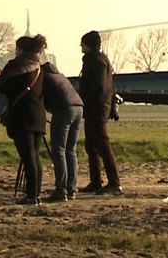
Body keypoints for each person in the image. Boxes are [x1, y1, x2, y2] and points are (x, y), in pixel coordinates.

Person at [0, 35, 49, 205]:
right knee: (34, 157)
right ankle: (35, 194)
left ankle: (31, 196)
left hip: (21, 116)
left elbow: (3, 85)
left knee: (27, 156)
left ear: (20, 49)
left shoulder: (15, 66)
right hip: (38, 115)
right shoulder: (38, 67)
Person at [78, 30, 122, 196]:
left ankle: (114, 182)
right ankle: (96, 181)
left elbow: (98, 87)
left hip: (97, 109)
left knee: (102, 145)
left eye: (82, 43)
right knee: (91, 146)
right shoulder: (94, 60)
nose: (80, 46)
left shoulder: (98, 62)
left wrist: (85, 101)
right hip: (93, 108)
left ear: (89, 45)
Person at [39, 62, 83, 202]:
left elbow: (40, 98)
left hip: (64, 110)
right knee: (71, 150)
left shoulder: (44, 79)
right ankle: (71, 189)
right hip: (79, 108)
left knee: (58, 150)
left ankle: (61, 190)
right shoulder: (61, 77)